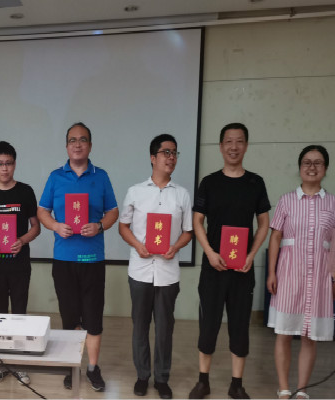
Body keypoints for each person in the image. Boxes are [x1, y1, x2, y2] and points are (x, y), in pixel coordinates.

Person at [189, 123, 270, 399]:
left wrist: (251, 255)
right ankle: (203, 381)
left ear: (246, 145)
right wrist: (210, 252)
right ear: (221, 146)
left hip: (242, 269)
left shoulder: (255, 183)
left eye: (239, 141)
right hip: (213, 267)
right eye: (228, 141)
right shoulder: (209, 182)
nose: (234, 147)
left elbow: (264, 223)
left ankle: (237, 384)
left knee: (239, 325)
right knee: (208, 325)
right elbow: (197, 221)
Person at [37, 122, 118, 392]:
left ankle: (93, 368)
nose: (77, 144)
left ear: (90, 145)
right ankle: (73, 366)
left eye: (83, 139)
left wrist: (100, 226)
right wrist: (56, 226)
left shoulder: (101, 176)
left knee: (93, 317)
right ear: (66, 146)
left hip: (92, 259)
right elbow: (42, 211)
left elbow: (113, 211)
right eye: (72, 140)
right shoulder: (55, 177)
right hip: (64, 259)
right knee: (70, 316)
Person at [118, 134, 193, 399]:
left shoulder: (182, 194)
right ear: (153, 158)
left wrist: (175, 247)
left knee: (164, 329)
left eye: (174, 153)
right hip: (140, 270)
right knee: (140, 326)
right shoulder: (136, 191)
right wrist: (138, 246)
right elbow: (123, 227)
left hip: (168, 272)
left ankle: (162, 378)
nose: (171, 158)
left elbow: (188, 231)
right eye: (166, 152)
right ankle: (142, 376)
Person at [266, 145, 335, 399]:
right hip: (289, 275)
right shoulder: (286, 201)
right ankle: (284, 388)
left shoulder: (332, 203)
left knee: (309, 336)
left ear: (325, 168)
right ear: (299, 167)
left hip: (319, 278)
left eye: (318, 162)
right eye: (307, 162)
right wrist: (271, 273)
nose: (312, 167)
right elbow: (276, 238)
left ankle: (302, 390)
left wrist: (334, 277)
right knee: (284, 333)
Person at [0, 141, 41, 385]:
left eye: (8, 163)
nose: (4, 168)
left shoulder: (25, 192)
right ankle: (1, 364)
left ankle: (19, 364)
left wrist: (22, 240)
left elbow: (36, 227)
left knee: (20, 313)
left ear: (15, 164)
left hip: (19, 264)